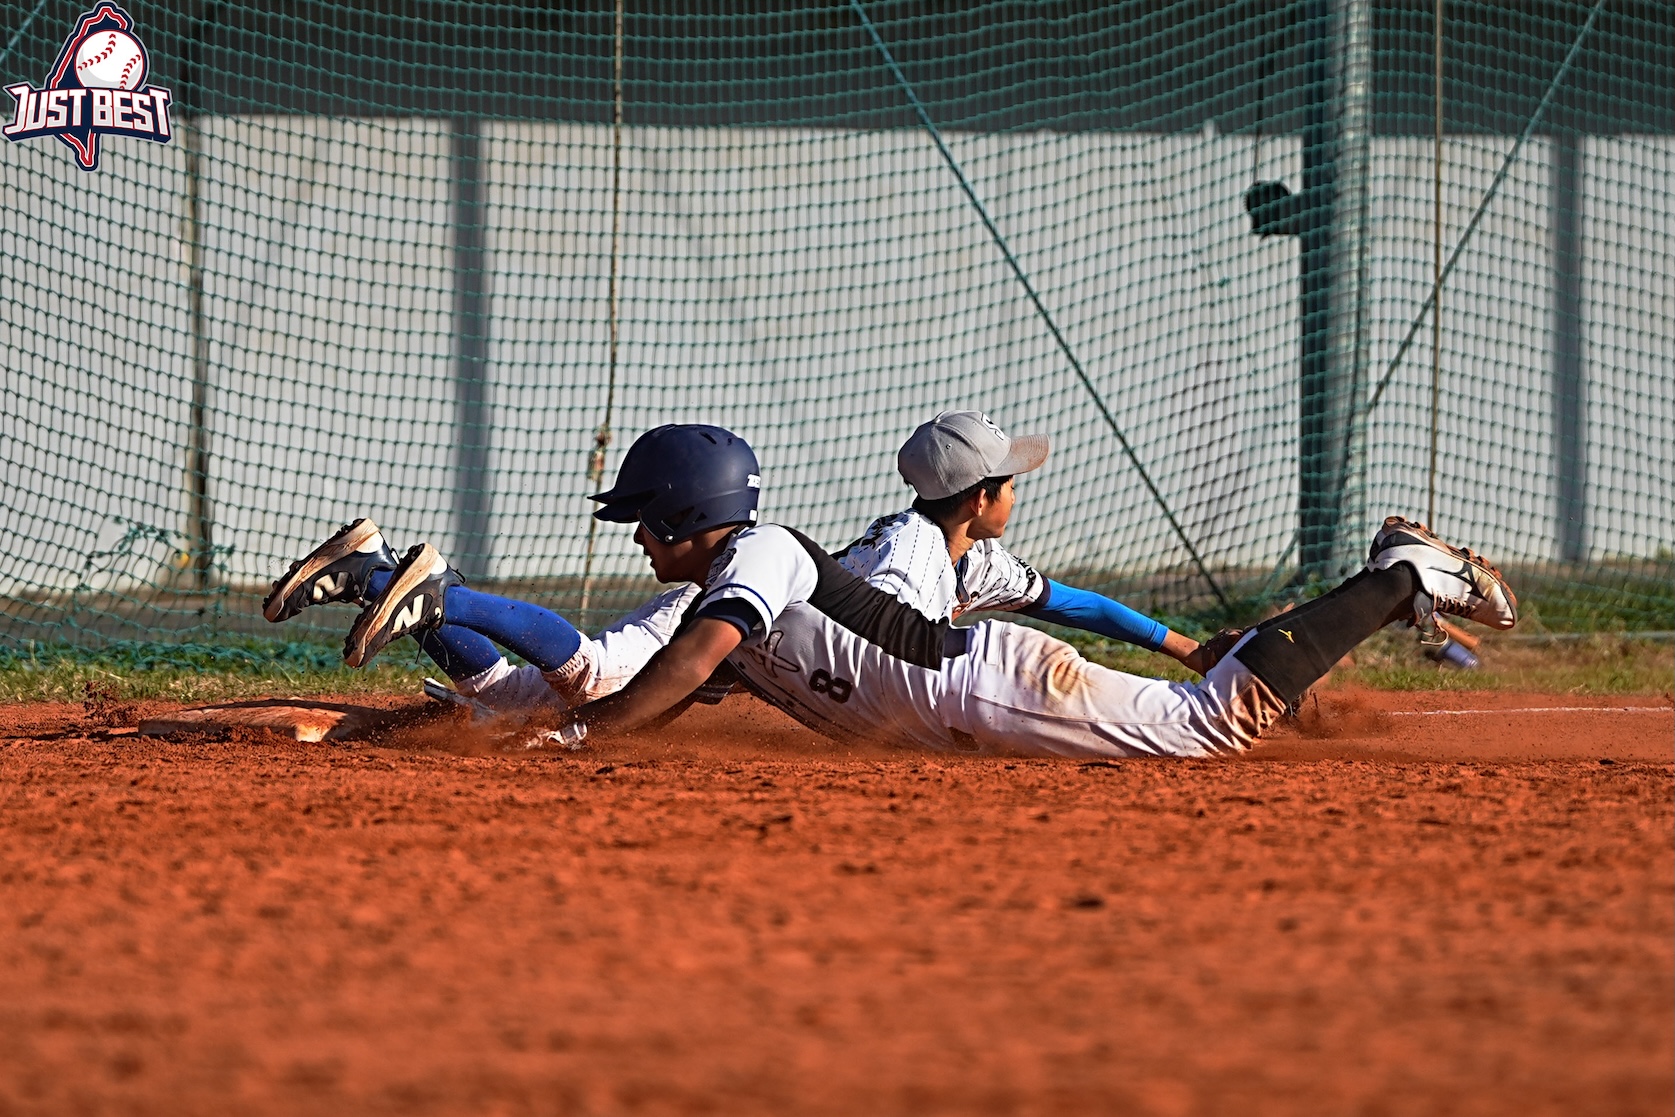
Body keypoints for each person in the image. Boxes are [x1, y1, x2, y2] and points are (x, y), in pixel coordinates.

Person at [339, 423, 1519, 759]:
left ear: (687, 525)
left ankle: (1396, 577)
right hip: (954, 684)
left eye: (647, 523)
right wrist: (522, 699)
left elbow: (687, 668)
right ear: (978, 497)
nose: (638, 539)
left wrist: (587, 741)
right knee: (1214, 696)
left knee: (1214, 724)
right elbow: (630, 667)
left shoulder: (757, 567)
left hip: (979, 687)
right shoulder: (773, 571)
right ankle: (419, 592)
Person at [836, 410, 1215, 674]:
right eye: (1011, 485)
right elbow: (866, 650)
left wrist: (1192, 652)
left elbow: (1079, 606)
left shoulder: (977, 557)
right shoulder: (910, 549)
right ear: (980, 501)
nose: (1014, 497)